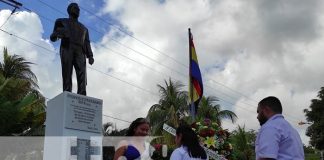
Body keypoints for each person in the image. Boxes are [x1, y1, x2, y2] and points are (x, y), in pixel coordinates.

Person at [50, 3, 94, 95]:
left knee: (82, 72)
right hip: (67, 47)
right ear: (69, 10)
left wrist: (90, 55)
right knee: (67, 71)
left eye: (78, 9)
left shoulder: (84, 28)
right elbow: (53, 37)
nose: (78, 10)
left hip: (80, 50)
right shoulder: (61, 21)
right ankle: (67, 91)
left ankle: (82, 92)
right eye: (75, 8)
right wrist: (56, 35)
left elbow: (87, 42)